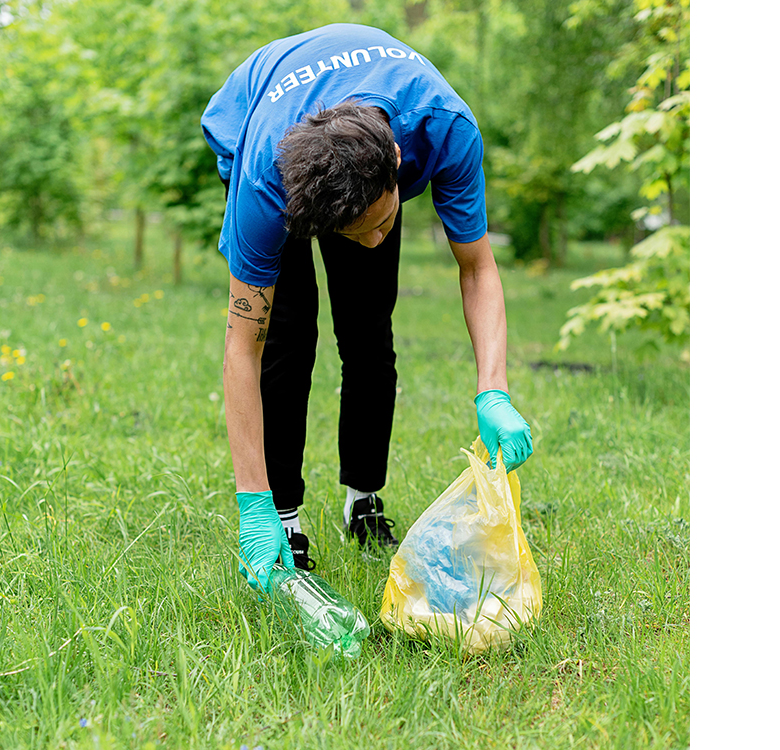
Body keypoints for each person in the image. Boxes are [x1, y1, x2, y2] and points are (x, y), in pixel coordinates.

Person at [201, 23, 533, 593]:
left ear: (398, 162)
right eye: (356, 233)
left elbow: (477, 266)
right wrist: (250, 504)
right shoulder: (264, 185)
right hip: (255, 114)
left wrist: (493, 389)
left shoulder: (444, 127)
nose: (377, 240)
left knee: (367, 330)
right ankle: (283, 516)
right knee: (285, 338)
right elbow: (242, 345)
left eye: (384, 221)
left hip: (370, 132)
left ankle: (364, 497)